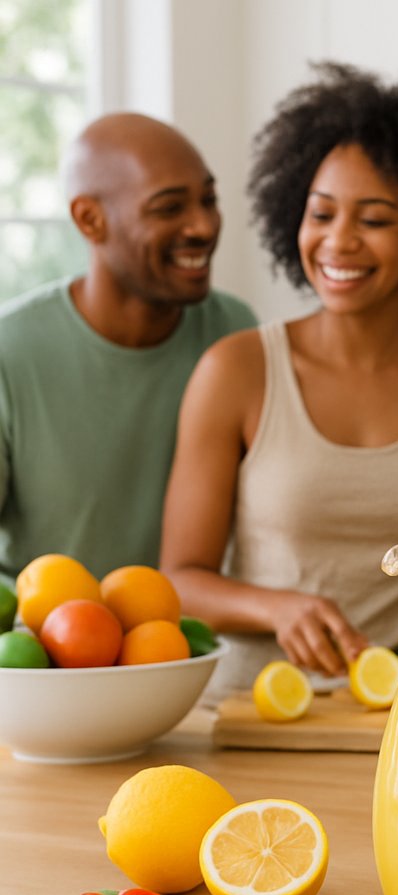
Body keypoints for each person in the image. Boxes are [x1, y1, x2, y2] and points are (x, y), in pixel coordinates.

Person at [161, 63, 398, 701]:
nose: (338, 242)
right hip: (255, 712)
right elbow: (180, 581)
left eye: (374, 220)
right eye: (321, 214)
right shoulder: (235, 371)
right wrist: (278, 609)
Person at [0, 113, 257, 584]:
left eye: (208, 199)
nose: (202, 226)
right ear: (89, 220)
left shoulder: (235, 332)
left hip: (190, 645)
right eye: (168, 208)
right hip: (36, 647)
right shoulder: (10, 351)